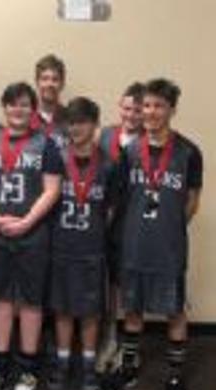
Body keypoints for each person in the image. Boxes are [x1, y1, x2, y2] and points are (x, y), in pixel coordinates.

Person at [99, 79, 203, 390]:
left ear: (172, 109)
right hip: (133, 243)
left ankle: (174, 377)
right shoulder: (130, 152)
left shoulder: (189, 152)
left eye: (159, 105)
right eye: (146, 105)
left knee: (174, 310)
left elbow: (192, 201)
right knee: (132, 308)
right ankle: (129, 368)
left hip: (168, 246)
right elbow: (120, 199)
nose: (151, 112)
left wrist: (167, 227)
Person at [0, 82, 63, 390]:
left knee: (30, 300)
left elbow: (52, 190)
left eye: (24, 104)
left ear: (33, 109)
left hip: (33, 234)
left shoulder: (46, 144)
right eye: (12, 104)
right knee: (0, 298)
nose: (18, 110)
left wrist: (26, 222)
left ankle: (28, 367)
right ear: (4, 107)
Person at [47, 97, 117, 390]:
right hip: (62, 244)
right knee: (62, 307)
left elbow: (112, 208)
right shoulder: (57, 159)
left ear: (95, 124)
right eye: (71, 123)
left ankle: (88, 363)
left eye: (82, 122)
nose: (75, 128)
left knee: (90, 310)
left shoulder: (109, 164)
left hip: (92, 247)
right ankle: (63, 361)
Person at [96, 82, 145, 371]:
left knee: (131, 284)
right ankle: (109, 338)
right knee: (109, 284)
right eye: (127, 108)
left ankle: (130, 345)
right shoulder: (105, 135)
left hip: (134, 221)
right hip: (105, 219)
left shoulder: (148, 142)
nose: (131, 115)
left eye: (137, 110)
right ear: (119, 107)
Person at [30, 54, 67, 147]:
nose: (50, 84)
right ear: (37, 82)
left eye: (55, 79)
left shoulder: (71, 119)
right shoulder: (26, 118)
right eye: (45, 79)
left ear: (62, 84)